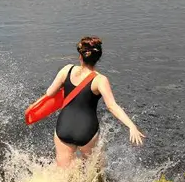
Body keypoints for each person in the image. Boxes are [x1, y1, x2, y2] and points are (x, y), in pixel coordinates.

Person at [43, 36, 144, 169]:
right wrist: (131, 126)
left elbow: (50, 93)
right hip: (86, 130)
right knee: (94, 171)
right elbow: (112, 106)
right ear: (98, 58)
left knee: (63, 174)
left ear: (80, 56)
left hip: (64, 127)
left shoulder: (66, 70)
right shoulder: (100, 80)